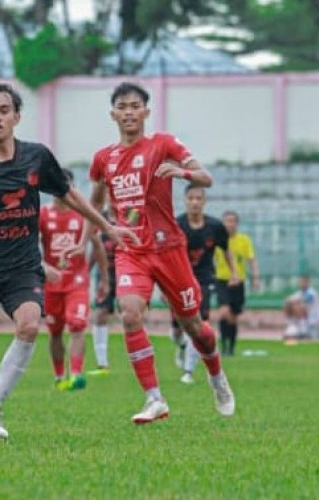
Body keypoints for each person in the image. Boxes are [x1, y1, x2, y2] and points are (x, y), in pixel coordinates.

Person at [0, 83, 138, 442]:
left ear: (17, 116)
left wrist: (106, 224)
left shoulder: (36, 158)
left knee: (30, 326)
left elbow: (68, 193)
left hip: (23, 267)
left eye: (4, 111)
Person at [89, 81, 235, 424]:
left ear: (146, 112)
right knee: (128, 313)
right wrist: (86, 239)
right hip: (131, 251)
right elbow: (94, 203)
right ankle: (154, 398)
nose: (128, 112)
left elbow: (206, 177)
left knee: (194, 326)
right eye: (122, 106)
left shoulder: (163, 144)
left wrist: (181, 171)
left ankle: (217, 378)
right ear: (113, 114)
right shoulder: (103, 159)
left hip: (169, 249)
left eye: (135, 106)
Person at [39, 168, 109, 391]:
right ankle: (60, 376)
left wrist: (104, 280)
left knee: (77, 325)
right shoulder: (42, 215)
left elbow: (98, 245)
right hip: (51, 283)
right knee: (55, 332)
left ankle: (76, 374)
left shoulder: (82, 215)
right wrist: (42, 267)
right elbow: (29, 244)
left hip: (77, 281)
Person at [170, 185, 238, 384]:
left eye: (199, 198)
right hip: (179, 280)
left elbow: (226, 251)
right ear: (185, 200)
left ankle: (188, 371)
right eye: (191, 198)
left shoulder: (216, 227)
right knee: (177, 328)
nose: (195, 202)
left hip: (204, 279)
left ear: (204, 201)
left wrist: (233, 273)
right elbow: (167, 255)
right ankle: (181, 345)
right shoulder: (177, 225)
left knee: (199, 323)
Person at [213, 210, 261, 355]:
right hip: (222, 280)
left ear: (237, 223)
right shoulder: (218, 240)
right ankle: (223, 346)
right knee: (223, 312)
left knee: (233, 317)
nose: (230, 224)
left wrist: (255, 277)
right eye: (227, 221)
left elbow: (251, 259)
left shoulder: (244, 240)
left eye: (232, 221)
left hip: (238, 282)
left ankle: (230, 348)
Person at [88, 205, 118, 376]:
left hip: (126, 270)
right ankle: (102, 364)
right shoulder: (99, 217)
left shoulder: (131, 215)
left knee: (131, 313)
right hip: (104, 271)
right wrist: (86, 271)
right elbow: (96, 247)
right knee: (100, 313)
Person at [283, 275, 319, 342]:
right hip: (305, 321)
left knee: (313, 339)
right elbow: (289, 300)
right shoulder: (299, 293)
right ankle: (294, 329)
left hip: (313, 322)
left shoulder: (312, 292)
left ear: (307, 283)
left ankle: (306, 334)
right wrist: (288, 301)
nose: (301, 284)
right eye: (300, 282)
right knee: (290, 305)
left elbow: (306, 299)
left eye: (303, 282)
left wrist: (295, 302)